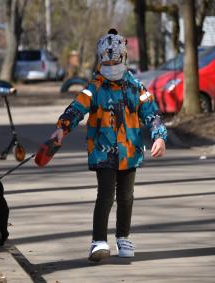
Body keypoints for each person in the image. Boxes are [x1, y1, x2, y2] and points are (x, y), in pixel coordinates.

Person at [49, 29, 167, 262]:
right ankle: (98, 241)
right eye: (107, 62)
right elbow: (76, 108)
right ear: (101, 60)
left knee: (126, 196)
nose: (111, 66)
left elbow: (151, 113)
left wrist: (159, 136)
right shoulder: (94, 87)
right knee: (105, 194)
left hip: (130, 150)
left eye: (115, 61)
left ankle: (123, 236)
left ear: (123, 59)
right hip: (102, 149)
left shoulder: (135, 87)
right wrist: (62, 127)